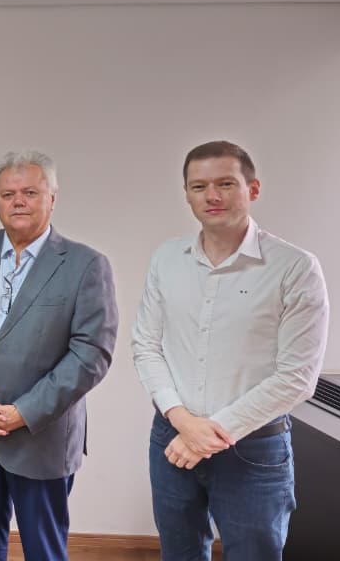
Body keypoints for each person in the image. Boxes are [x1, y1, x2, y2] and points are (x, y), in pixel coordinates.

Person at [132, 140, 329, 561]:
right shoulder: (167, 258)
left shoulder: (294, 267)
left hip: (253, 447)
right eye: (199, 186)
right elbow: (146, 345)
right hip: (172, 437)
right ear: (186, 193)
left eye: (225, 183)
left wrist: (210, 434)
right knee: (179, 553)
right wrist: (183, 421)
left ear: (253, 189)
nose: (212, 196)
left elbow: (297, 376)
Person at [0, 150, 118, 561]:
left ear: (52, 198)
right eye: (7, 193)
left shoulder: (86, 265)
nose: (18, 201)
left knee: (43, 549)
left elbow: (92, 354)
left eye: (30, 192)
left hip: (41, 434)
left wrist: (24, 411)